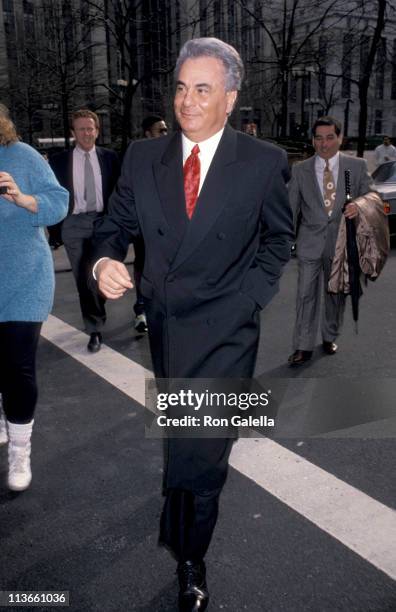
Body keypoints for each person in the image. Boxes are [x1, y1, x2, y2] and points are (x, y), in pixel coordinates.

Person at [92, 37, 293, 611]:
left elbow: (278, 240)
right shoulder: (141, 157)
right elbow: (114, 225)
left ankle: (190, 558)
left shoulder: (262, 162)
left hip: (228, 332)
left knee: (203, 453)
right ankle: (180, 511)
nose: (187, 100)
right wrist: (105, 261)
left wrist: (249, 299)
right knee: (184, 436)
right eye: (181, 87)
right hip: (166, 328)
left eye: (202, 89)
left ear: (229, 98)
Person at [0, 110, 68, 491]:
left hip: (26, 279)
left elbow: (59, 202)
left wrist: (24, 199)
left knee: (18, 366)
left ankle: (20, 451)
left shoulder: (21, 155)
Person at [288, 116, 373, 366]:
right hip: (309, 244)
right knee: (305, 295)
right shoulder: (300, 169)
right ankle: (302, 346)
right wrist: (283, 242)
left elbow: (373, 197)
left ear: (340, 138)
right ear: (312, 140)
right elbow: (290, 210)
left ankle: (329, 335)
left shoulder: (355, 166)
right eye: (318, 138)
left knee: (335, 295)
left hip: (341, 244)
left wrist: (359, 205)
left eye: (329, 137)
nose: (323, 143)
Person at [49, 109, 120, 352]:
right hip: (74, 224)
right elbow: (53, 195)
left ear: (97, 131)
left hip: (103, 223)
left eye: (90, 128)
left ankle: (97, 311)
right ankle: (94, 329)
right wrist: (55, 230)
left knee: (97, 276)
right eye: (81, 129)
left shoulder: (110, 158)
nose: (86, 133)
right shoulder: (59, 161)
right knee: (83, 278)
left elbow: (121, 192)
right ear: (73, 133)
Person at [132, 115, 169, 333]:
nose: (165, 133)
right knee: (143, 266)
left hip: (168, 224)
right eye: (160, 130)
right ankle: (141, 310)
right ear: (148, 134)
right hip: (144, 223)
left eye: (165, 130)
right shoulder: (137, 156)